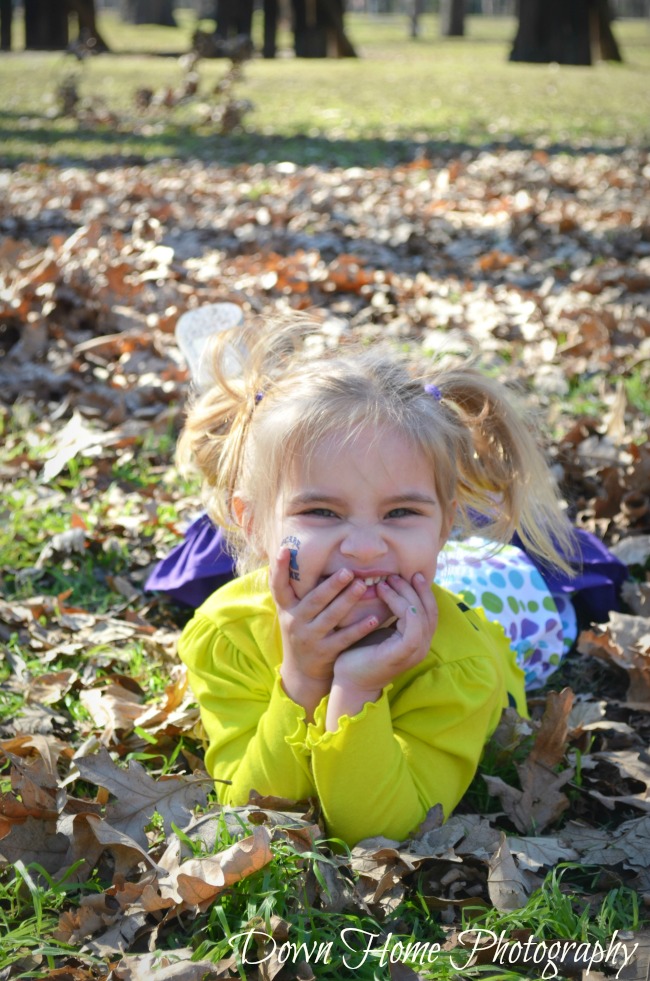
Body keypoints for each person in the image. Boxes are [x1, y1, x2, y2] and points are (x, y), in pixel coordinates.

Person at [170, 314, 592, 847]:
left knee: (543, 588)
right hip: (412, 568)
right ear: (251, 523)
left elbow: (382, 828)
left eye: (400, 512)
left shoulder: (460, 666)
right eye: (322, 510)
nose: (365, 547)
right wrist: (300, 681)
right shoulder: (226, 635)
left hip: (509, 614)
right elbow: (253, 814)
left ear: (444, 524)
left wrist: (357, 689)